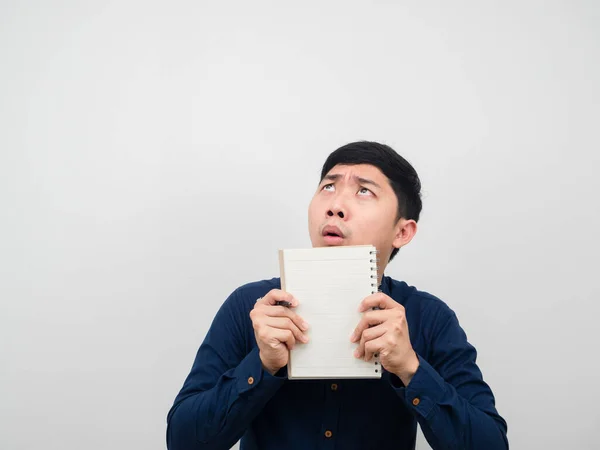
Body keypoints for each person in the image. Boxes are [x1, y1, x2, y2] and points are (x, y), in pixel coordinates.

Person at [166, 141, 508, 450]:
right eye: (328, 186)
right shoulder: (251, 307)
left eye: (364, 192)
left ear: (403, 232)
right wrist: (263, 365)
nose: (335, 206)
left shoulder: (429, 317)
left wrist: (410, 369)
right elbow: (183, 442)